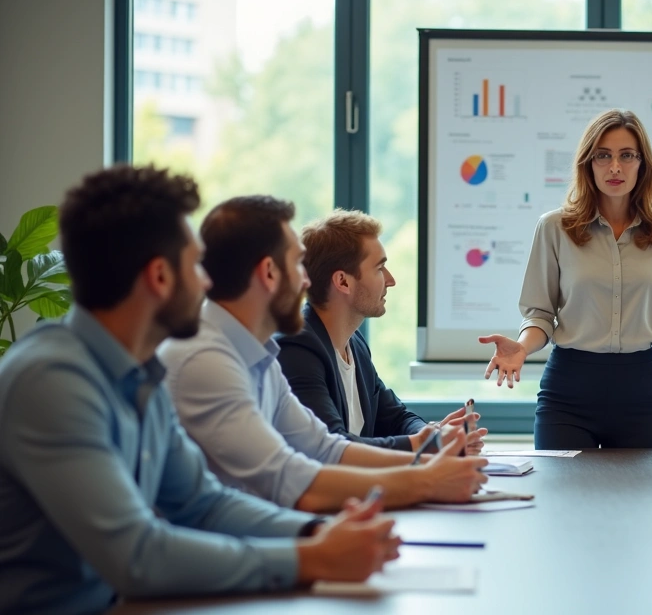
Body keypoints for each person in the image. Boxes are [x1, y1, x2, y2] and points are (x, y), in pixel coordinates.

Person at [0, 166, 400, 613]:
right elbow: (138, 555)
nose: (209, 283)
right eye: (195, 265)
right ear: (160, 277)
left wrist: (315, 534)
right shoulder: (52, 381)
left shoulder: (142, 374)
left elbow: (202, 503)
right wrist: (309, 557)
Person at [159, 196, 487, 513]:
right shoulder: (207, 359)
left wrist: (430, 457)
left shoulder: (259, 355)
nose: (305, 280)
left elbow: (324, 448)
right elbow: (294, 479)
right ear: (269, 272)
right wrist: (426, 477)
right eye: (295, 265)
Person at [478, 109, 652, 449]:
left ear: (642, 164)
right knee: (561, 500)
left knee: (638, 500)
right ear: (587, 164)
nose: (614, 167)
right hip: (568, 390)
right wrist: (522, 347)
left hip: (639, 391)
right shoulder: (554, 228)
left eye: (627, 156)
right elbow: (540, 314)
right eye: (603, 156)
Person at [277, 209, 488, 454]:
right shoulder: (297, 348)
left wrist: (433, 433)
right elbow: (333, 445)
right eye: (379, 268)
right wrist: (427, 445)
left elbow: (394, 416)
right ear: (343, 281)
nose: (390, 280)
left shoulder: (354, 343)